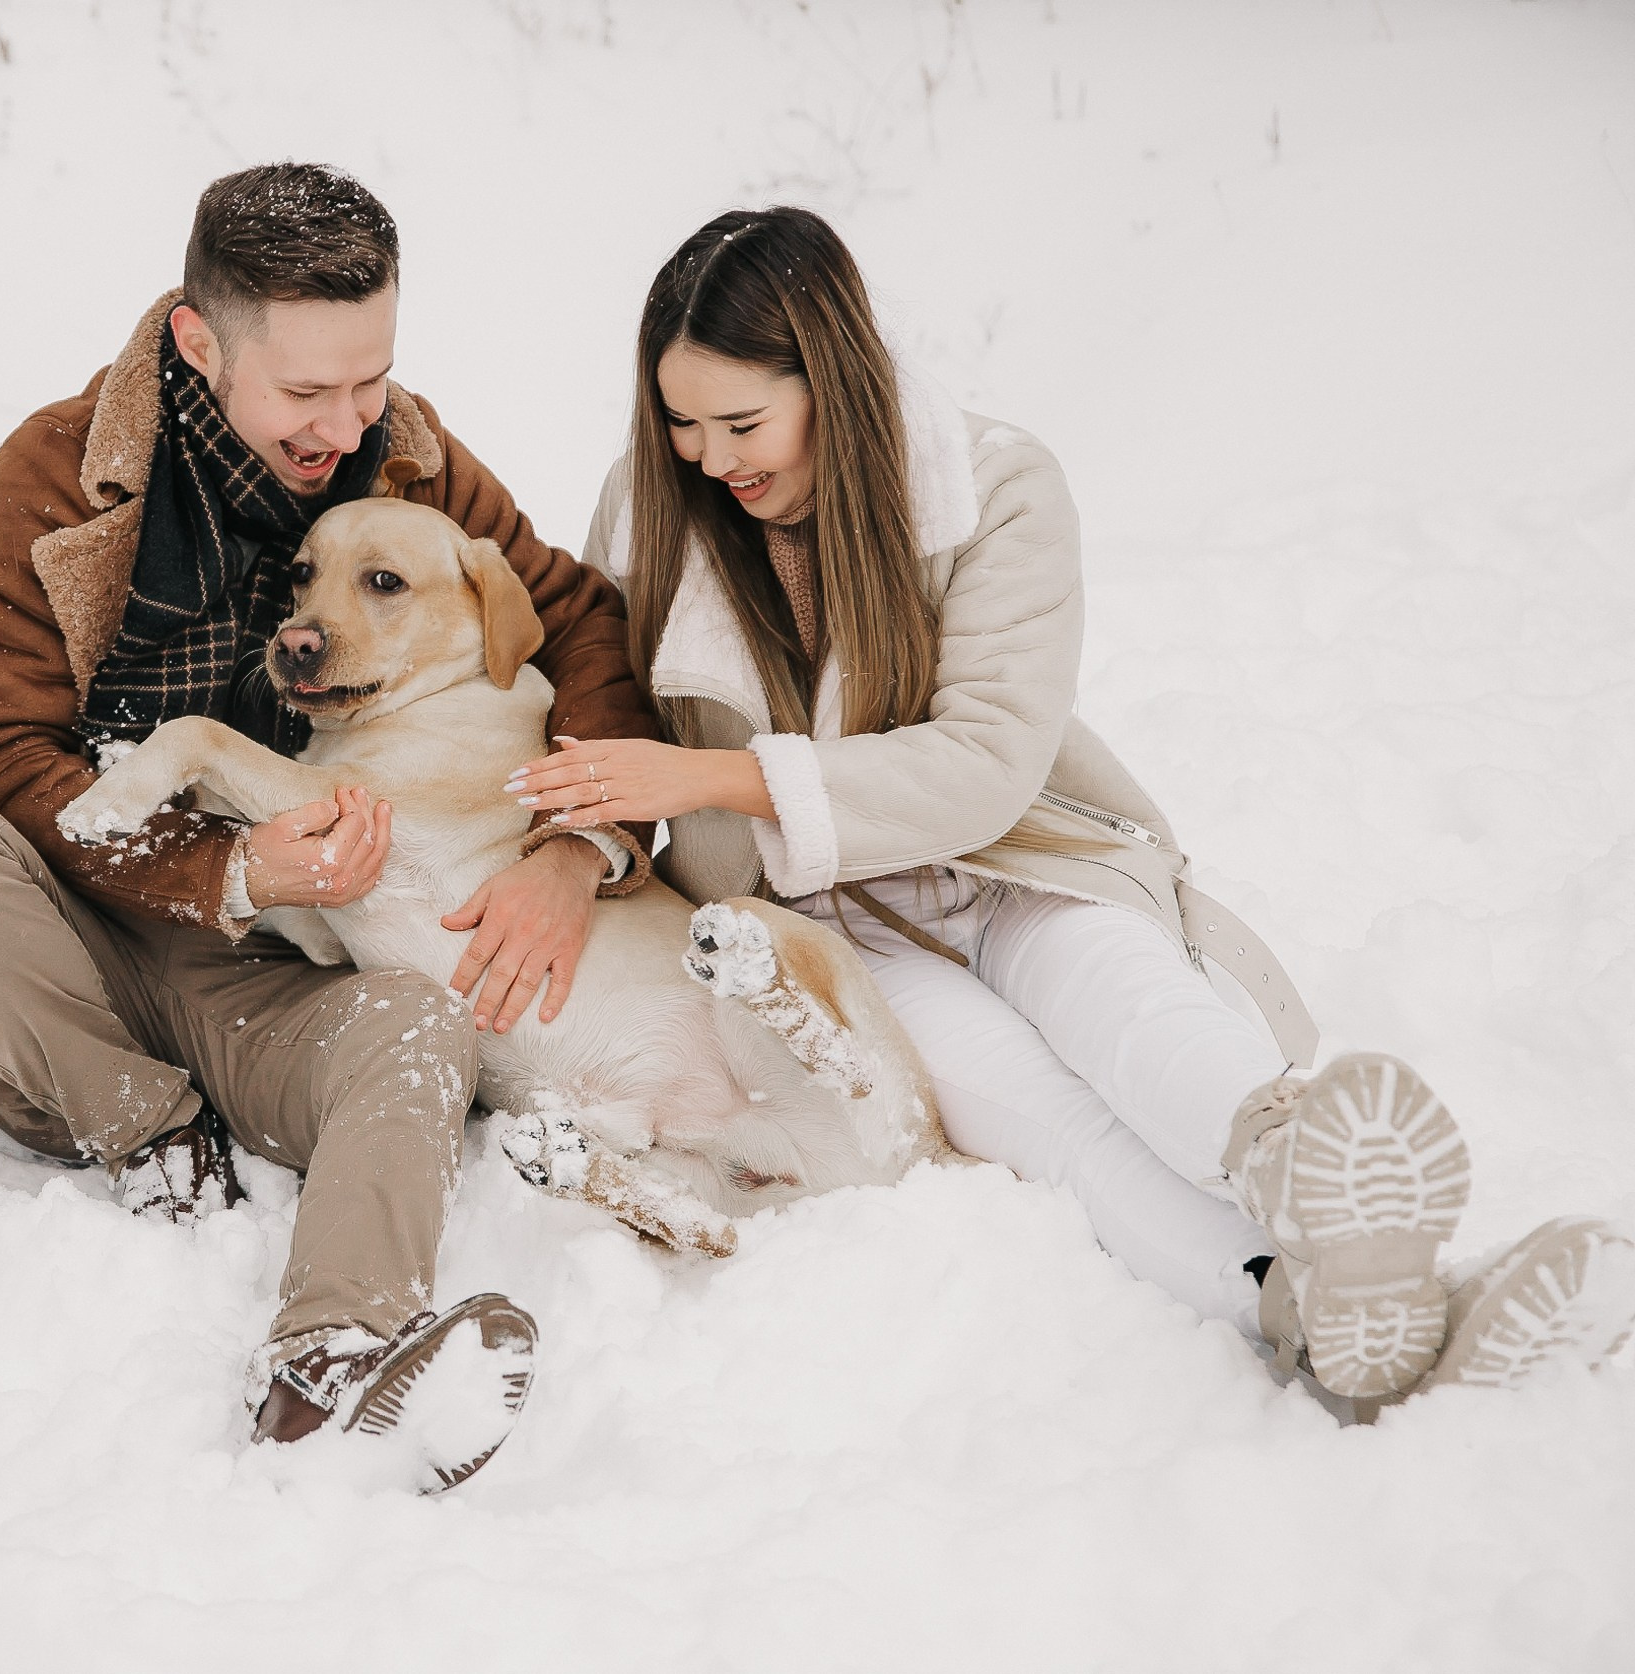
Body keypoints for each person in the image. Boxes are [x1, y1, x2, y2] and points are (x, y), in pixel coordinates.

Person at [521, 205, 1635, 1414]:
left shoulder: (992, 484)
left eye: (742, 422)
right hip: (825, 931)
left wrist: (717, 779)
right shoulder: (650, 509)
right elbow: (602, 691)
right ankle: (1309, 1309)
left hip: (1008, 860)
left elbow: (990, 756)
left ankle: (1327, 1191)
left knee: (1142, 1025)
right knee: (1057, 1131)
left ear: (831, 379)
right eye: (680, 423)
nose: (710, 456)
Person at [0, 164, 660, 1482]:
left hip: (274, 972)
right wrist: (223, 864)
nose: (346, 421)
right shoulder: (55, 480)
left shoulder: (402, 454)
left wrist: (572, 845)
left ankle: (332, 1373)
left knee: (420, 1024)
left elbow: (574, 618)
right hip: (66, 930)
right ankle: (146, 1127)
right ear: (199, 339)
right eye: (306, 392)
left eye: (370, 379)